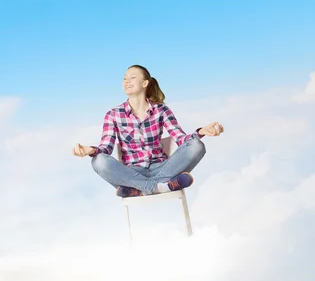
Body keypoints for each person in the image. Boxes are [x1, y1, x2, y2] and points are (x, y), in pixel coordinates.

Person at [72, 64, 224, 197]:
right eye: (125, 78)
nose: (127, 81)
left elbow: (181, 138)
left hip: (163, 169)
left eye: (132, 78)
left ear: (145, 83)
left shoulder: (161, 110)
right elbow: (106, 148)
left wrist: (201, 132)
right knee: (98, 161)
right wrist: (90, 150)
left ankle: (139, 189)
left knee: (197, 145)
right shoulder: (113, 115)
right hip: (131, 173)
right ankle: (161, 187)